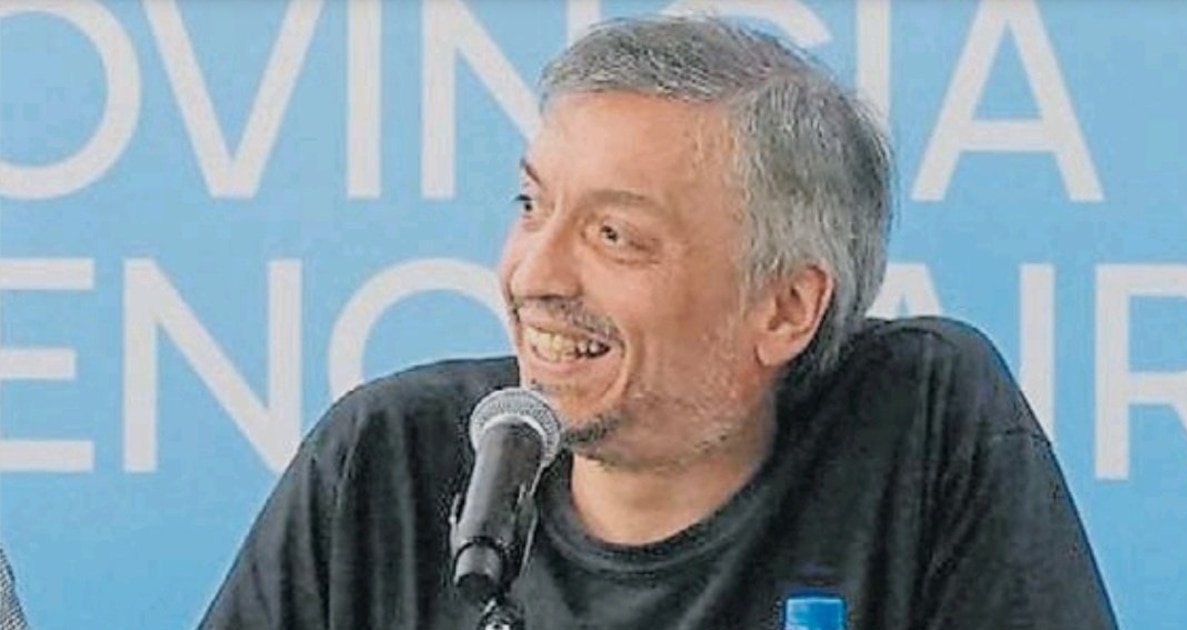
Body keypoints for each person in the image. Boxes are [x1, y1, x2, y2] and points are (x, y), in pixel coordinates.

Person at [202, 16, 1117, 629]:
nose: (535, 273)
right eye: (531, 205)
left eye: (616, 236)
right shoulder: (385, 463)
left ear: (786, 308)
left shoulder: (919, 427)